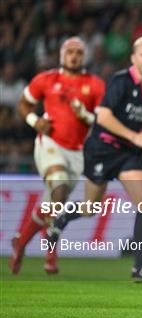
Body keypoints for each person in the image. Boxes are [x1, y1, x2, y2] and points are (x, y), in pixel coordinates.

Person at [46, 35, 142, 282]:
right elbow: (103, 117)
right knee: (91, 207)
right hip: (103, 149)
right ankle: (61, 219)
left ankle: (140, 266)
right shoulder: (120, 81)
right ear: (134, 58)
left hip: (128, 155)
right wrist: (134, 137)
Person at [10, 37, 105, 275]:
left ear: (85, 57)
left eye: (79, 52)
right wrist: (35, 121)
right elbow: (23, 103)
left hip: (78, 153)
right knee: (59, 189)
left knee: (53, 204)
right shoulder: (47, 79)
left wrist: (86, 116)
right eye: (69, 51)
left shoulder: (95, 85)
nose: (74, 56)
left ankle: (21, 243)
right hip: (50, 143)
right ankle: (44, 253)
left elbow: (104, 121)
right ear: (62, 55)